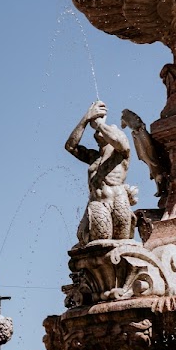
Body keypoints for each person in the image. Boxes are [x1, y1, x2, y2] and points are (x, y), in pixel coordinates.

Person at [66, 100, 137, 245]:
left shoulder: (121, 153)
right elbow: (70, 146)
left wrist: (99, 124)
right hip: (98, 204)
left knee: (123, 244)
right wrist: (86, 118)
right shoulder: (93, 157)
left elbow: (118, 141)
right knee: (100, 246)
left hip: (119, 202)